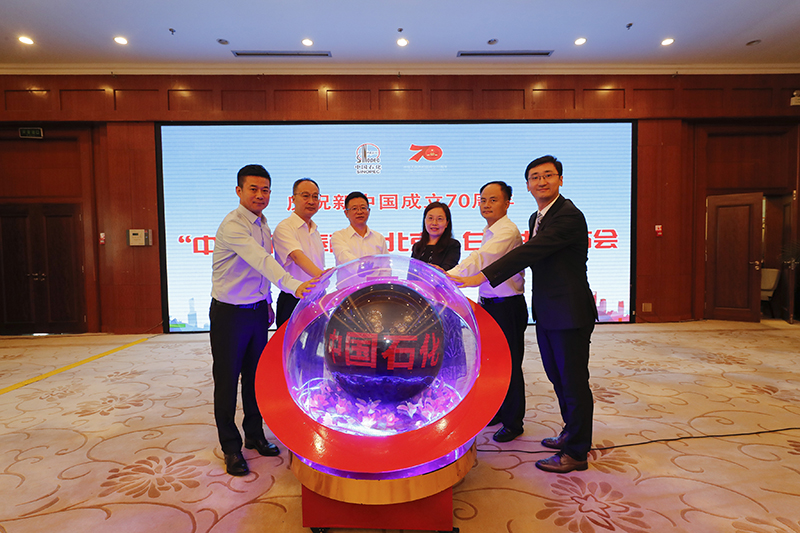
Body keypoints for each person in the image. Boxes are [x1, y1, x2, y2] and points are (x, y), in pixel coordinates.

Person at [451, 155, 597, 474]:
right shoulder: (538, 216)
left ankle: (576, 452)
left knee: (573, 381)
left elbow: (531, 252)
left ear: (560, 179)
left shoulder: (568, 215)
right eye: (535, 177)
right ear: (528, 185)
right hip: (547, 310)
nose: (541, 181)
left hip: (570, 311)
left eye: (548, 175)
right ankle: (571, 431)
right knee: (558, 377)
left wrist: (482, 277)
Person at [210, 164, 317, 476]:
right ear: (239, 191)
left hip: (257, 311)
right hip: (230, 313)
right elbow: (261, 261)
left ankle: (254, 435)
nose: (260, 195)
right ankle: (231, 447)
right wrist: (294, 285)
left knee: (255, 378)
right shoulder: (233, 225)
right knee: (227, 381)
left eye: (265, 190)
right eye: (253, 189)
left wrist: (268, 302)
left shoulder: (263, 223)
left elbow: (258, 274)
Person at [447, 182, 528, 443]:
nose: (486, 204)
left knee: (510, 364)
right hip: (490, 304)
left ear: (507, 203)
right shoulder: (490, 230)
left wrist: (449, 276)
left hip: (507, 306)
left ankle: (513, 422)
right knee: (493, 363)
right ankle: (500, 411)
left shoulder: (507, 231)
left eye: (493, 200)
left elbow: (482, 259)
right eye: (483, 200)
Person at [273, 178, 326, 328]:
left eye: (315, 196)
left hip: (317, 299)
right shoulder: (285, 228)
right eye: (305, 196)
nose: (311, 201)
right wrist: (323, 276)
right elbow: (297, 256)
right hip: (294, 298)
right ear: (293, 199)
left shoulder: (315, 230)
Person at [330, 191, 388, 265]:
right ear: (346, 213)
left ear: (369, 211)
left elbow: (386, 267)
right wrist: (363, 267)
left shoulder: (379, 238)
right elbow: (344, 257)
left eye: (363, 208)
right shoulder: (339, 236)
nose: (359, 212)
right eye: (354, 208)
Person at [411, 201, 461, 270]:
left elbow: (447, 271)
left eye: (439, 219)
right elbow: (411, 273)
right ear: (424, 220)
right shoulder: (417, 247)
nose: (434, 223)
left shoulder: (453, 245)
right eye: (430, 218)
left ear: (447, 223)